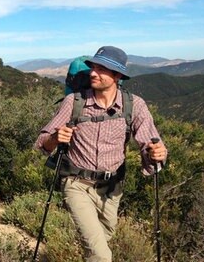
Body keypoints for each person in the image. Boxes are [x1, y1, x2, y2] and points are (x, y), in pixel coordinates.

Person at [34, 46, 168, 262]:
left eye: (101, 69)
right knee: (101, 255)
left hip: (112, 189)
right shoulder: (75, 102)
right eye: (93, 68)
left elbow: (148, 142)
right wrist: (55, 138)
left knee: (103, 241)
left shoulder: (134, 105)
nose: (93, 73)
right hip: (76, 184)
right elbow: (42, 143)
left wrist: (157, 153)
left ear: (117, 75)